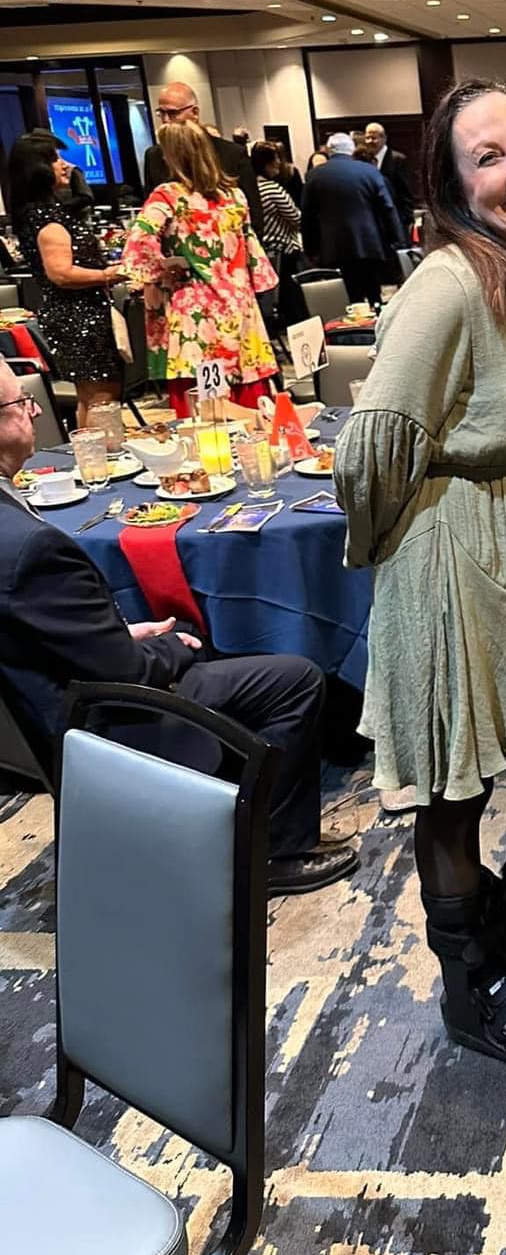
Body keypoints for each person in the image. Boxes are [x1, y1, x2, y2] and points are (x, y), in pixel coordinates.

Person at [334, 78, 506, 1074]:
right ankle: (470, 991)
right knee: (452, 788)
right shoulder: (449, 282)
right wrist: (398, 548)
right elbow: (373, 443)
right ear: (453, 187)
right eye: (489, 157)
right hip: (446, 552)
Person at [0, 357, 356, 894]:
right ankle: (273, 854)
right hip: (97, 720)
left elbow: (42, 628)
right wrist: (175, 646)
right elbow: (129, 672)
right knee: (292, 678)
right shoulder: (31, 546)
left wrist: (118, 635)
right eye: (22, 404)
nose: (34, 413)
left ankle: (225, 814)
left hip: (45, 703)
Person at [122, 120, 279, 415]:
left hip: (194, 314)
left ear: (171, 155)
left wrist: (161, 272)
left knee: (206, 413)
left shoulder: (166, 196)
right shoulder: (235, 196)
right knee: (250, 399)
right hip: (240, 306)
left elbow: (138, 245)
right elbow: (253, 253)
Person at [8, 131, 126, 429]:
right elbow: (60, 273)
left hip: (78, 314)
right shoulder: (47, 219)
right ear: (37, 170)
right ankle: (105, 454)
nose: (66, 165)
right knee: (101, 396)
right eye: (55, 159)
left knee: (92, 397)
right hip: (78, 316)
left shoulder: (43, 213)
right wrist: (108, 274)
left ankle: (97, 454)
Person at [144, 82, 264, 239]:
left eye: (173, 113)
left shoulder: (232, 154)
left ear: (194, 113)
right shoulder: (153, 156)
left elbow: (254, 216)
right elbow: (150, 215)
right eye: (161, 113)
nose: (166, 120)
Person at [301, 132, 405, 306]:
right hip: (369, 244)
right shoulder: (370, 171)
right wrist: (397, 240)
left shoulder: (314, 175)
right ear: (352, 149)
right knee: (373, 294)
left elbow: (308, 216)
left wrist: (311, 250)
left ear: (329, 150)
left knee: (347, 298)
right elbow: (387, 208)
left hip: (333, 247)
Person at [250, 140, 306, 328]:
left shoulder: (250, 188)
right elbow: (296, 217)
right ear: (267, 164)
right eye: (276, 160)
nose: (279, 163)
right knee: (291, 301)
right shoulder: (272, 189)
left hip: (264, 250)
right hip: (283, 250)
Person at [363, 122, 417, 234]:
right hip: (372, 222)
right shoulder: (364, 161)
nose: (369, 141)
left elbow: (405, 192)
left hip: (395, 220)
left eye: (373, 138)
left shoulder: (398, 159)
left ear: (384, 138)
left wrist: (406, 220)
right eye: (367, 138)